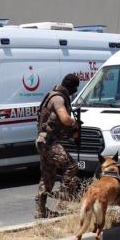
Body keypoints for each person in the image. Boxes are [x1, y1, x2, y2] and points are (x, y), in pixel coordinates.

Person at [34, 74, 81, 219]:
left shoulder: (52, 95)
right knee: (72, 166)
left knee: (48, 176)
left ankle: (40, 211)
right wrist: (74, 123)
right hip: (49, 142)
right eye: (75, 88)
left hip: (43, 141)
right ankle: (64, 198)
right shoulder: (58, 98)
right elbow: (65, 119)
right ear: (72, 87)